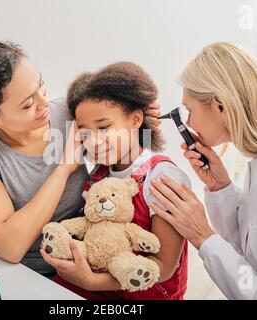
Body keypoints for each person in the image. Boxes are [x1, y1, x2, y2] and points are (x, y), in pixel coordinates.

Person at [0, 41, 161, 278]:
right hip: (30, 275)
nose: (44, 104)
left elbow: (120, 132)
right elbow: (10, 247)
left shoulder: (68, 114)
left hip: (90, 254)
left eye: (41, 86)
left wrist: (140, 118)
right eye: (28, 104)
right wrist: (63, 170)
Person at [149, 42, 257, 299]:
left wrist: (202, 235)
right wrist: (220, 188)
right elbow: (248, 252)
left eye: (190, 110)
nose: (188, 122)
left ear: (220, 106)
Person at [41, 62, 191, 300]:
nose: (93, 142)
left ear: (135, 120)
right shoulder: (101, 173)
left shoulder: (162, 177)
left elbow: (164, 266)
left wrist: (90, 282)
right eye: (84, 132)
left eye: (103, 127)